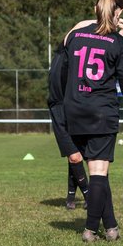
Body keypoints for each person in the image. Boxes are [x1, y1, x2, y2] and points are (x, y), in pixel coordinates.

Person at [60, 0, 123, 242]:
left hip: (74, 110)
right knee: (98, 172)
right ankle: (89, 230)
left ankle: (111, 227)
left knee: (98, 173)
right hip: (101, 112)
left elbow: (69, 36)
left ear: (95, 10)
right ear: (118, 12)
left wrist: (94, 21)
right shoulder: (119, 43)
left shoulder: (75, 37)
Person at [48, 32, 91, 210]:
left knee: (76, 155)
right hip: (59, 110)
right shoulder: (62, 54)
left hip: (73, 108)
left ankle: (71, 196)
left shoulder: (71, 61)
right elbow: (73, 32)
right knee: (74, 157)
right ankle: (90, 195)